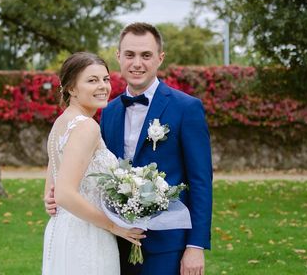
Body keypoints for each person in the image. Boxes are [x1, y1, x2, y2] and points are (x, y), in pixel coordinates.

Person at [45, 23, 212, 275]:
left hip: (168, 246)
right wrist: (57, 195)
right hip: (113, 240)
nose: (137, 63)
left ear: (160, 58)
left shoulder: (186, 108)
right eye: (130, 54)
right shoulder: (107, 111)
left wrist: (195, 245)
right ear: (119, 57)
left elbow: (200, 181)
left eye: (146, 55)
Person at [42, 52, 145, 275]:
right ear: (71, 88)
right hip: (87, 235)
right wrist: (115, 226)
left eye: (105, 79)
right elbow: (64, 194)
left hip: (62, 229)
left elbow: (52, 188)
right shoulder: (86, 127)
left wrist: (49, 199)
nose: (103, 87)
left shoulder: (61, 123)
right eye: (92, 80)